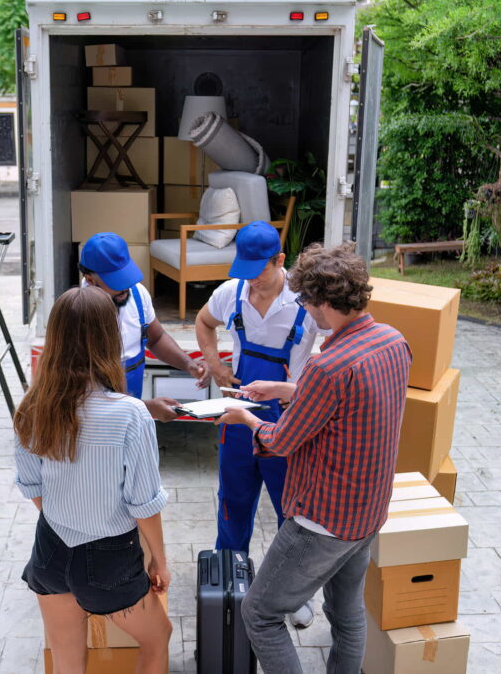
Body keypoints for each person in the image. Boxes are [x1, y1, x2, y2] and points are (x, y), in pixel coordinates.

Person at [218, 244, 411, 674]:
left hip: (322, 520)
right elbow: (349, 406)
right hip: (370, 512)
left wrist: (245, 417)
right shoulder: (393, 342)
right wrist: (286, 389)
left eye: (305, 301)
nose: (305, 311)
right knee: (346, 612)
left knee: (260, 614)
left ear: (323, 302)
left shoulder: (329, 366)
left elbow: (281, 441)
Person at [15, 286, 172, 674]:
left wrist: (69, 515)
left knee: (68, 661)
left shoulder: (32, 408)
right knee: (158, 638)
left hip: (50, 550)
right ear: (109, 338)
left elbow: (34, 490)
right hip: (110, 557)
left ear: (55, 338)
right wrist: (160, 562)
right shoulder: (130, 415)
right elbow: (144, 504)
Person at [194, 221, 325, 628]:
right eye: (244, 268)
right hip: (236, 420)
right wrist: (215, 364)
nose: (250, 277)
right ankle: (229, 586)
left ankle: (291, 597)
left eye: (258, 269)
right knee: (233, 506)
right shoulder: (230, 293)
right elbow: (203, 322)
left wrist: (289, 388)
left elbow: (336, 359)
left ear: (280, 260)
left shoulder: (307, 304)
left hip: (291, 423)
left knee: (293, 515)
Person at [80, 232, 210, 421]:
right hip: (95, 420)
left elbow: (156, 338)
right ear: (91, 280)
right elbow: (82, 391)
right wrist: (146, 408)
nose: (125, 287)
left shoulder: (138, 294)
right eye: (116, 281)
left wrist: (189, 365)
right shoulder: (76, 313)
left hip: (132, 405)